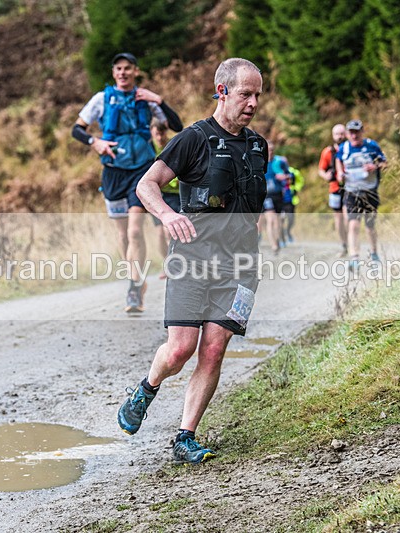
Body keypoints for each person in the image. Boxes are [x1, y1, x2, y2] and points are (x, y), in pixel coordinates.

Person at [117, 58, 267, 464]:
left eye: (257, 94)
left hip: (240, 266)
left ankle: (185, 436)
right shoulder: (193, 139)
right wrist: (167, 214)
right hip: (193, 261)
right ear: (222, 91)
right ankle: (147, 388)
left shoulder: (258, 145)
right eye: (245, 94)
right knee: (181, 349)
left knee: (214, 349)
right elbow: (146, 184)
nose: (253, 103)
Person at [71, 52, 182, 312]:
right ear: (113, 73)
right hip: (113, 171)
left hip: (141, 171)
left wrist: (159, 100)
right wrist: (94, 142)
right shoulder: (101, 99)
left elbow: (176, 125)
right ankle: (135, 278)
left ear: (135, 71)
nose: (123, 73)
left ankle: (134, 287)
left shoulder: (145, 99)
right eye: (118, 68)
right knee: (123, 235)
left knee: (134, 231)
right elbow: (77, 129)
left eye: (128, 68)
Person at [334, 119, 387, 269]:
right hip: (351, 191)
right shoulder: (343, 148)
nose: (354, 135)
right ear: (347, 134)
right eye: (351, 132)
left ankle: (374, 253)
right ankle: (354, 257)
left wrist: (374, 166)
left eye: (356, 132)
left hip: (370, 191)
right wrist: (339, 173)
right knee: (353, 225)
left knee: (370, 226)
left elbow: (384, 162)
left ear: (362, 131)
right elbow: (338, 160)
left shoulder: (371, 145)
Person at [149, 120, 182, 279]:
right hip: (156, 195)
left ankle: (176, 264)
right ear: (152, 134)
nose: (160, 138)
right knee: (160, 234)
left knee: (169, 231)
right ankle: (167, 263)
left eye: (162, 134)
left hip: (173, 194)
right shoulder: (148, 149)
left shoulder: (172, 146)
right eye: (157, 134)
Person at [318, 123, 348, 257]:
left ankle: (351, 243)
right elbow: (321, 170)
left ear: (346, 134)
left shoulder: (350, 149)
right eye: (337, 134)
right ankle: (344, 245)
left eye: (342, 133)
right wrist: (326, 176)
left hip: (349, 188)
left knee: (348, 217)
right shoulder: (327, 152)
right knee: (339, 220)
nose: (340, 136)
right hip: (334, 188)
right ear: (333, 135)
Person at [259, 142, 291, 254]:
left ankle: (277, 241)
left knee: (278, 220)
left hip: (278, 194)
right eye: (268, 150)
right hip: (266, 195)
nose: (270, 152)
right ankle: (273, 245)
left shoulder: (280, 162)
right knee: (271, 219)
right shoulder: (259, 162)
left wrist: (285, 177)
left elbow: (290, 175)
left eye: (272, 150)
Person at [280, 164, 304, 244]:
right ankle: (282, 238)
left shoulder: (293, 172)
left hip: (290, 200)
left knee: (291, 219)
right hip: (280, 201)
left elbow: (300, 181)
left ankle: (288, 232)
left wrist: (296, 189)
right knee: (281, 220)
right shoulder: (277, 171)